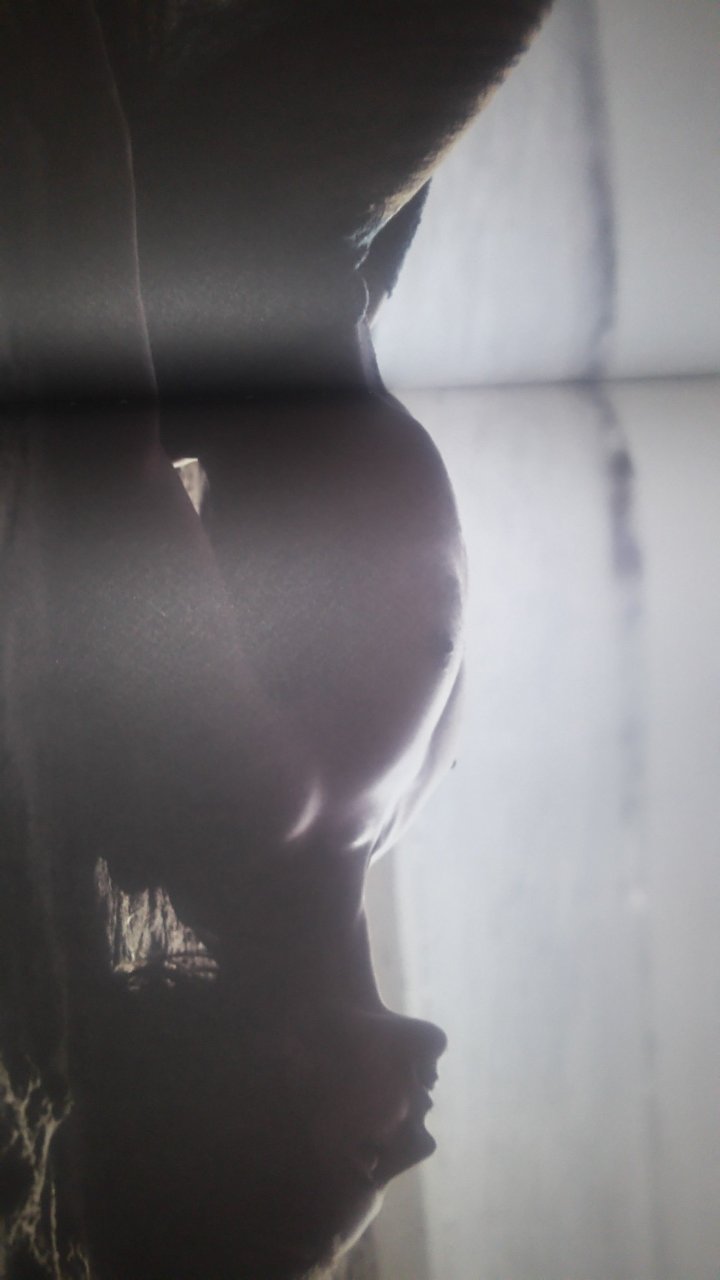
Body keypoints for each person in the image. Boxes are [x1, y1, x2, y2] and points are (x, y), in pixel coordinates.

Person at [0, 2, 551, 1277]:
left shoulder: (233, 808)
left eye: (364, 1161)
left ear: (274, 1082)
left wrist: (64, 86)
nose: (418, 1144)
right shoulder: (344, 837)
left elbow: (109, 448)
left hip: (258, 243)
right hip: (330, 277)